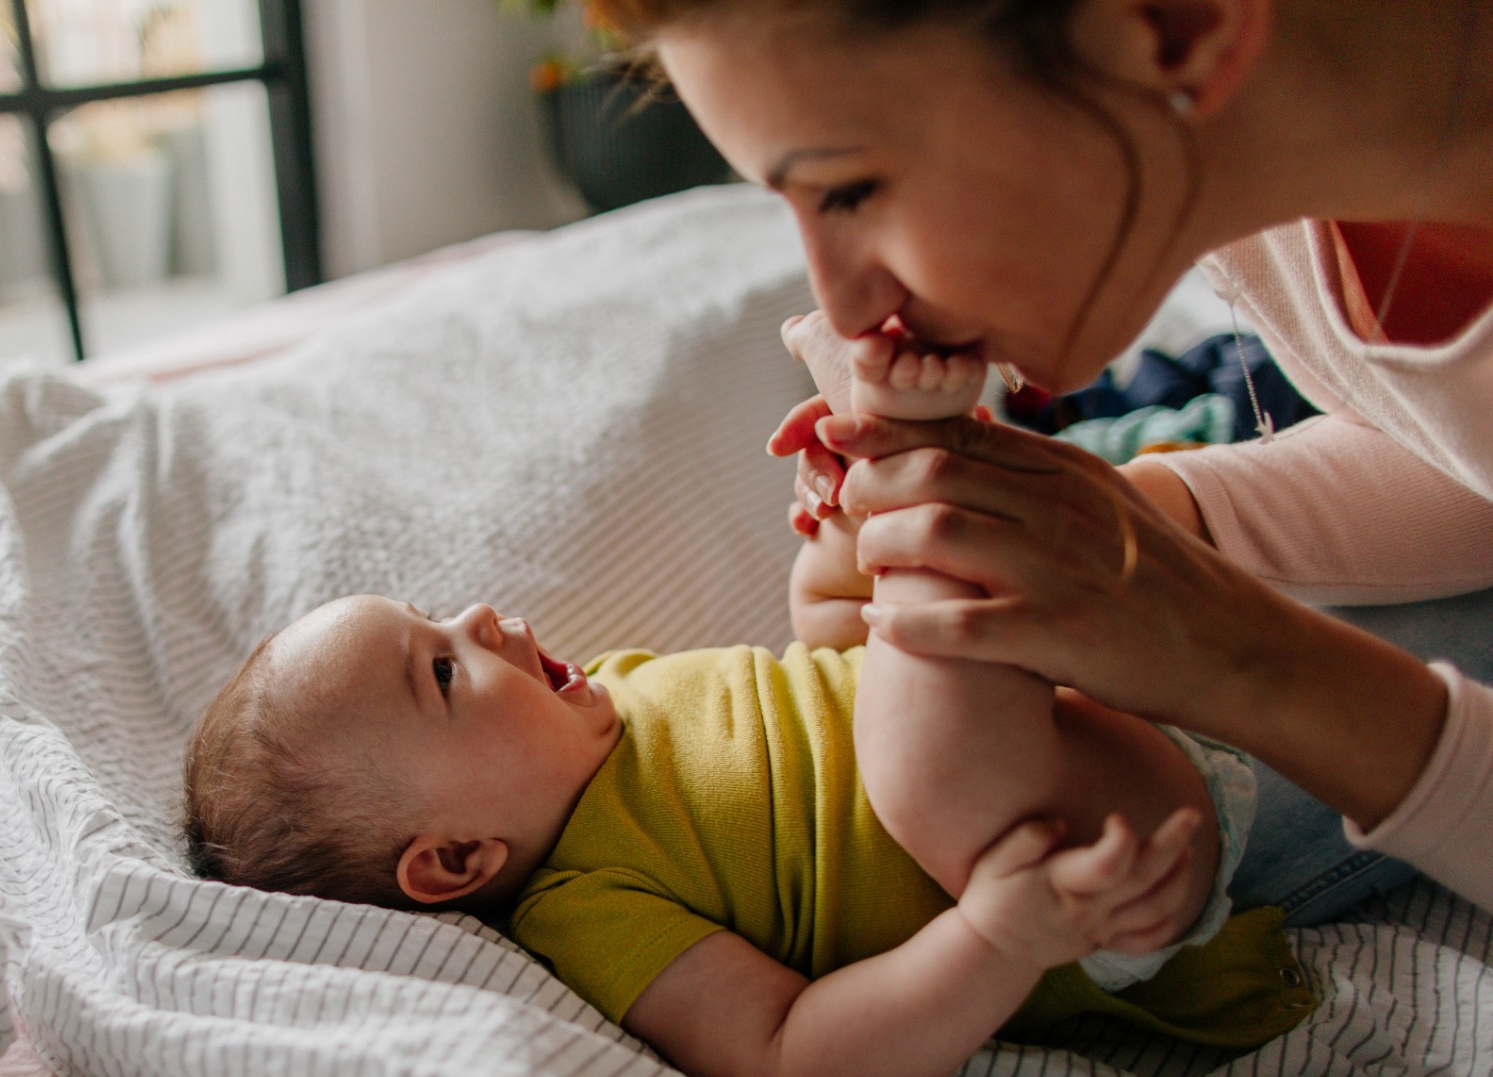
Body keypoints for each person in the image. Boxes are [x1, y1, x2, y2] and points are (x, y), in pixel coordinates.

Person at [180, 334, 1314, 1077]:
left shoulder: (617, 693)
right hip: (1084, 857)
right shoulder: (590, 906)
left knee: (882, 625)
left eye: (437, 614)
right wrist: (996, 939)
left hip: (1115, 696)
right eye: (439, 668)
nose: (474, 617)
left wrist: (833, 548)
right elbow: (794, 1056)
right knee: (923, 761)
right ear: (458, 860)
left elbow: (821, 668)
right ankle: (928, 461)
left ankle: (914, 502)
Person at [598, 0, 1493, 921]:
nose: (851, 307)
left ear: (1176, 25)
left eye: (854, 188)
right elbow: (1456, 445)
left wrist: (1239, 656)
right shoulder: (1263, 157)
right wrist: (1143, 518)